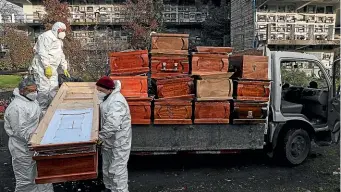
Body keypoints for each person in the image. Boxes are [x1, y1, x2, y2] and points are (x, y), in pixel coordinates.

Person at [4, 77, 54, 192]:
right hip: (22, 148)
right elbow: (20, 131)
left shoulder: (31, 101)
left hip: (35, 144)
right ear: (22, 91)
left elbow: (37, 116)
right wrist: (36, 139)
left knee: (43, 175)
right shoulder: (16, 108)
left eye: (35, 90)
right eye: (30, 91)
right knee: (26, 179)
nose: (34, 93)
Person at [96, 76, 132, 192]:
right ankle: (110, 188)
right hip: (109, 141)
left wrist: (99, 138)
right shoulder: (108, 97)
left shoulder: (117, 102)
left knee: (117, 172)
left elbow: (112, 125)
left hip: (119, 142)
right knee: (107, 168)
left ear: (109, 90)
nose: (98, 93)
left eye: (100, 91)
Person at [29, 22, 70, 112]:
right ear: (58, 30)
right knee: (43, 90)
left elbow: (60, 54)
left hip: (53, 68)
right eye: (62, 31)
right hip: (42, 67)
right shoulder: (46, 37)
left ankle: (52, 109)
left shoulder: (59, 40)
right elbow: (42, 52)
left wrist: (64, 67)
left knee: (53, 89)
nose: (64, 33)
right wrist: (46, 66)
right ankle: (42, 112)